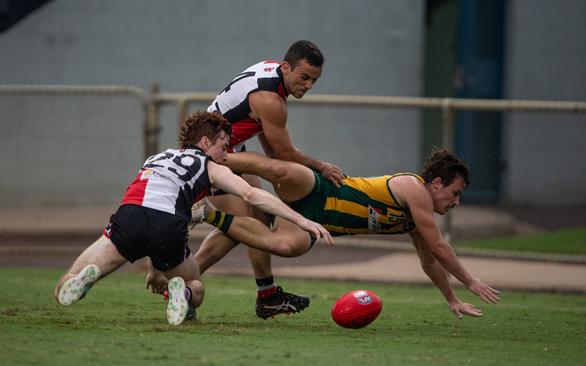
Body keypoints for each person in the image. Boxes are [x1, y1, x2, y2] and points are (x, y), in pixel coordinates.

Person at [54, 111, 332, 325]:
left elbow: (151, 205)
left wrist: (153, 270)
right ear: (205, 142)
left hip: (129, 216)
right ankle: (183, 294)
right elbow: (251, 195)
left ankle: (80, 281)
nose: (228, 152)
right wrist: (302, 220)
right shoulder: (209, 165)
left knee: (63, 284)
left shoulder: (157, 157)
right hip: (168, 226)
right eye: (225, 145)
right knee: (195, 285)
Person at [192, 149, 501, 319]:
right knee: (281, 171)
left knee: (285, 246)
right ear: (435, 183)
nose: (456, 203)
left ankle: (207, 214)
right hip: (320, 189)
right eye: (455, 193)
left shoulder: (415, 221)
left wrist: (452, 299)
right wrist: (470, 281)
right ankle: (212, 159)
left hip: (315, 222)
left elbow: (430, 258)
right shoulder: (413, 188)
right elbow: (439, 245)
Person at [198, 40, 345, 319]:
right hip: (211, 157)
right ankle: (183, 282)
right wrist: (321, 167)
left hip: (229, 151)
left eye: (315, 80)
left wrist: (272, 164)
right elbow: (285, 151)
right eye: (305, 77)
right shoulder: (271, 99)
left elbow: (264, 132)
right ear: (287, 67)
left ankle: (267, 296)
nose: (309, 85)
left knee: (259, 218)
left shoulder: (272, 73)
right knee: (240, 228)